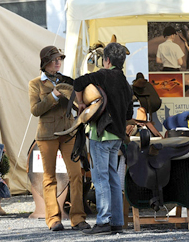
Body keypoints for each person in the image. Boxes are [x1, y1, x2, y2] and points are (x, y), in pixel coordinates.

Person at [73, 42, 134, 235]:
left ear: (106, 60)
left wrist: (82, 103)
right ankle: (116, 221)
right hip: (117, 136)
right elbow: (129, 113)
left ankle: (103, 221)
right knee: (113, 178)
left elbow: (77, 83)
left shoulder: (103, 75)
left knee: (100, 179)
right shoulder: (126, 83)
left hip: (101, 135)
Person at [28, 46, 90, 232]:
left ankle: (78, 218)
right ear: (44, 63)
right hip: (47, 136)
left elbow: (78, 103)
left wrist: (81, 105)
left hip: (68, 133)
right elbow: (35, 110)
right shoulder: (35, 84)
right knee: (49, 178)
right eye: (54, 59)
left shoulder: (68, 81)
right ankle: (53, 219)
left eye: (59, 58)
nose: (57, 62)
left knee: (76, 176)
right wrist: (53, 95)